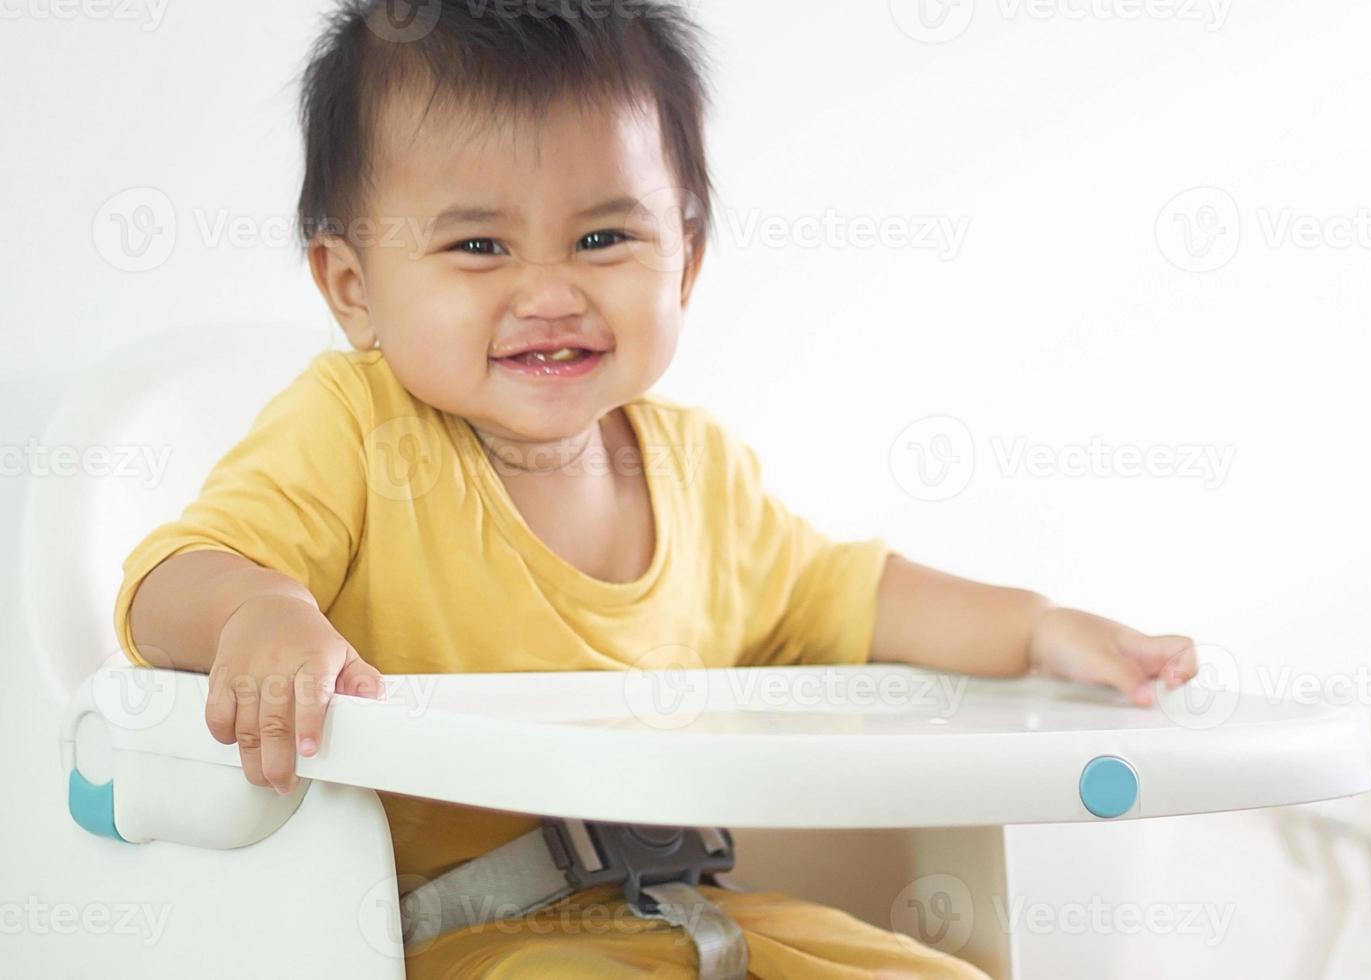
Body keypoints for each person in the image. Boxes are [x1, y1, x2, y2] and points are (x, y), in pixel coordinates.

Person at [115, 2, 1198, 976]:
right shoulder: (350, 431)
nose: (548, 290)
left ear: (682, 260)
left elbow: (855, 598)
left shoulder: (700, 473)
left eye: (603, 237)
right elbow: (168, 582)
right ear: (353, 288)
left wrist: (1039, 628)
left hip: (703, 905)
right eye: (479, 245)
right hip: (470, 939)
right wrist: (259, 610)